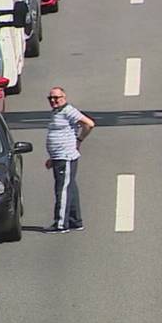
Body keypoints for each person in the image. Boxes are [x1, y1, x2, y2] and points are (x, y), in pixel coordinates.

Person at [44, 87, 95, 233]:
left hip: (65, 156)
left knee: (63, 190)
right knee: (69, 187)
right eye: (50, 98)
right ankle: (75, 221)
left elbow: (89, 124)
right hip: (58, 156)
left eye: (56, 98)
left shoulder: (68, 111)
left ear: (64, 97)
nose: (53, 101)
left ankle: (61, 224)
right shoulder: (57, 112)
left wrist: (79, 139)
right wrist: (52, 158)